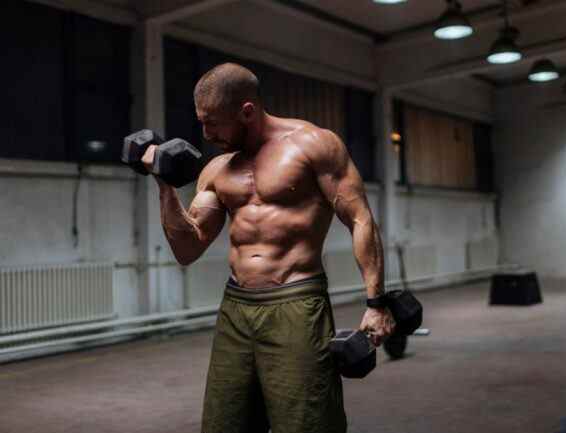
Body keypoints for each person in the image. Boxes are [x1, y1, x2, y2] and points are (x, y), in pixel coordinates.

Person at [141, 62, 395, 433]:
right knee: (224, 422)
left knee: (307, 421)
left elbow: (360, 219)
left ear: (247, 111)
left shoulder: (313, 145)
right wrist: (164, 186)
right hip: (236, 310)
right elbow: (188, 247)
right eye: (201, 122)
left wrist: (376, 303)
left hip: (295, 303)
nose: (206, 133)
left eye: (213, 122)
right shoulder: (218, 169)